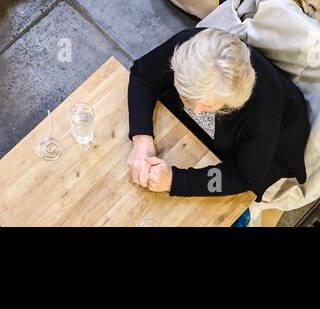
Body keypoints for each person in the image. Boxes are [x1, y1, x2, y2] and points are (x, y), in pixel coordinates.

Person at [127, 27, 310, 204]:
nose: (195, 111)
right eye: (186, 95)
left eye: (206, 105)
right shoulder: (189, 47)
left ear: (232, 101)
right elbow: (142, 76)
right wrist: (142, 140)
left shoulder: (262, 116)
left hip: (264, 147)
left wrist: (175, 181)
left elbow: (243, 177)